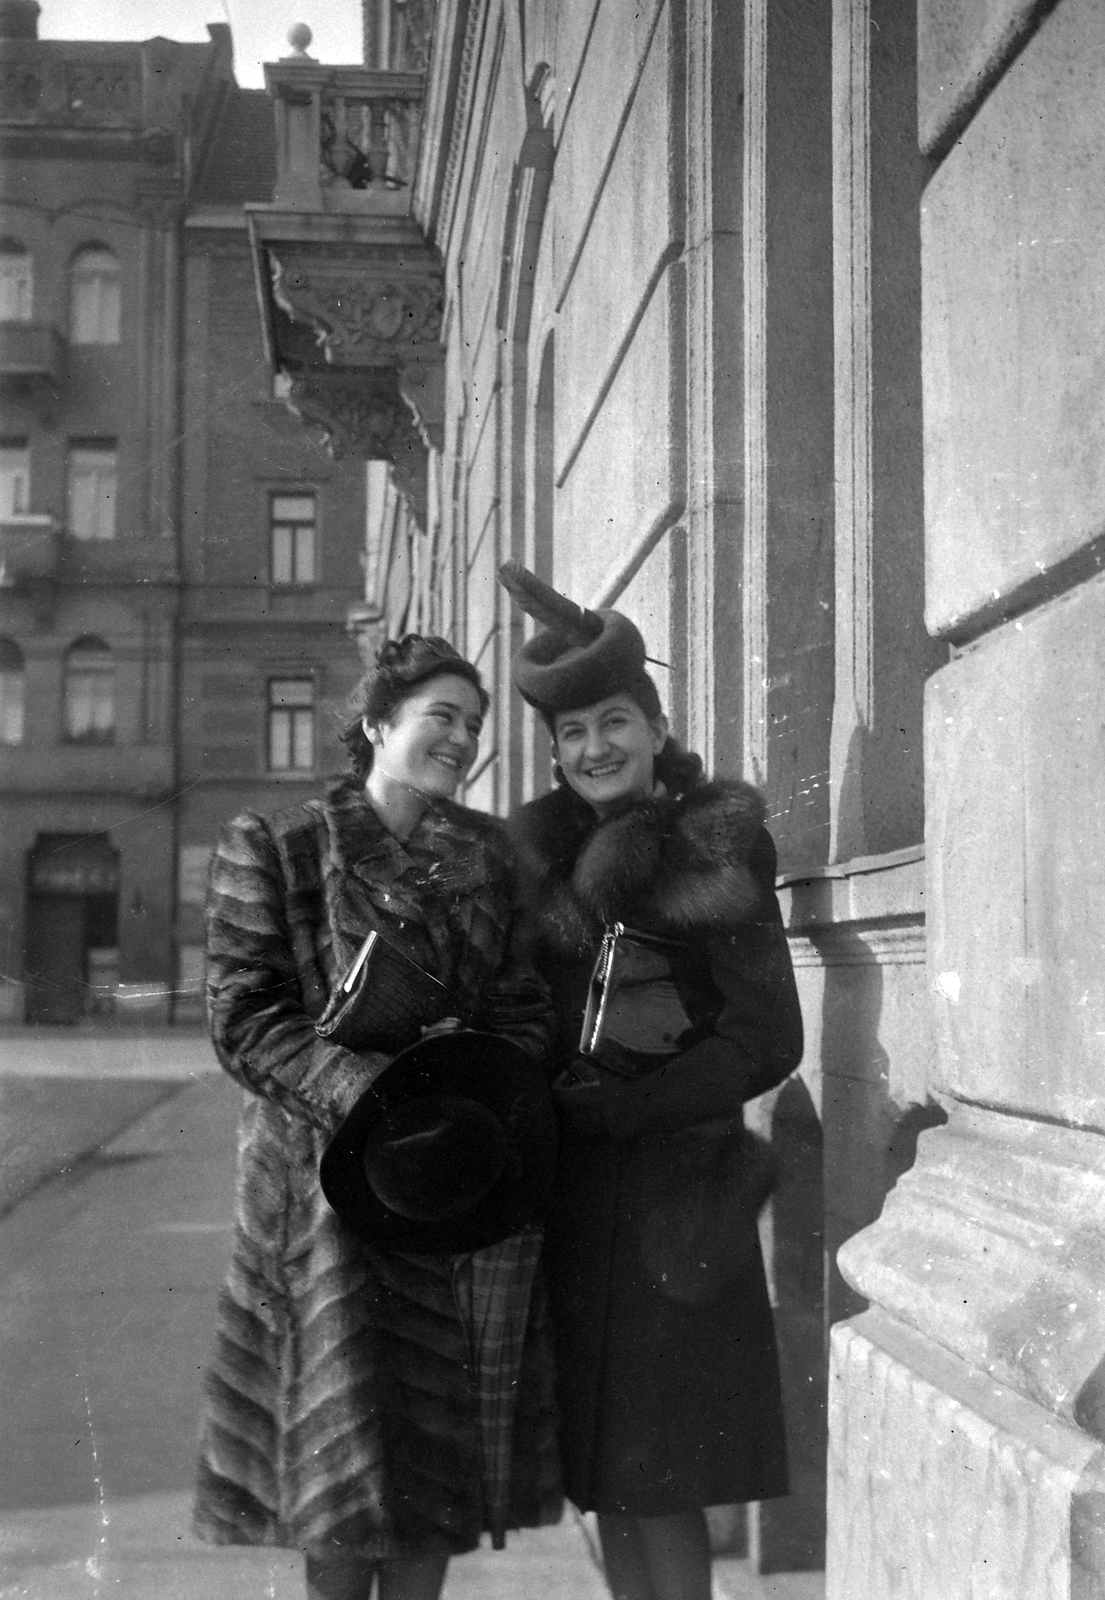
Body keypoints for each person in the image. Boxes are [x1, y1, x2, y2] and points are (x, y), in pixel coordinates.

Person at [193, 635, 561, 1600]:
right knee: (339, 1485)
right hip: (326, 1200)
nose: (459, 737)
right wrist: (370, 1088)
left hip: (449, 1189)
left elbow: (524, 1011)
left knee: (432, 1487)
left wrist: (467, 1075)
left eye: (472, 726)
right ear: (376, 724)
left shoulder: (490, 858)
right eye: (440, 715)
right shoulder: (275, 846)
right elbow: (241, 1021)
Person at [500, 567, 804, 1600]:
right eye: (573, 731)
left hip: (677, 1211)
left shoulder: (714, 839)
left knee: (662, 1484)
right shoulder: (532, 851)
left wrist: (633, 1102)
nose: (595, 748)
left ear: (656, 720)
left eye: (614, 721)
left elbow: (766, 1037)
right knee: (604, 1484)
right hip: (574, 1211)